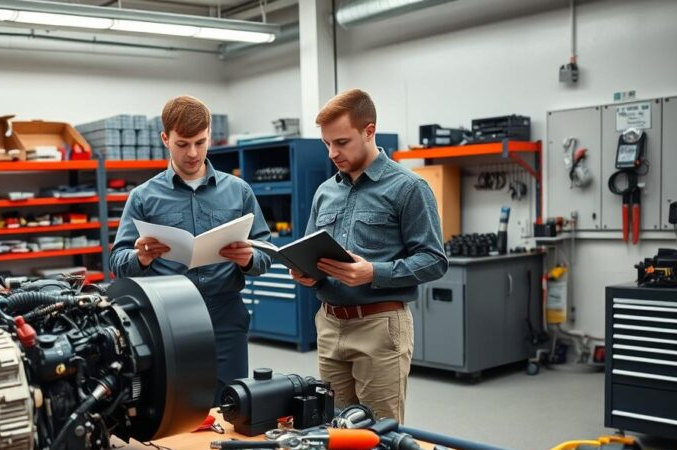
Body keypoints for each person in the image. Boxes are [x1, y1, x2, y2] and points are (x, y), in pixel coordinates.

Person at [290, 89, 448, 422]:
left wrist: (373, 272)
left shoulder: (408, 188)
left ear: (369, 131)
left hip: (380, 326)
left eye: (342, 142)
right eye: (327, 144)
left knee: (379, 433)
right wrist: (305, 272)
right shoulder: (325, 192)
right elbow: (310, 252)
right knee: (331, 427)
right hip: (330, 325)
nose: (333, 152)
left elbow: (434, 260)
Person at [110, 95, 271, 404]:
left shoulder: (238, 191)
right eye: (183, 144)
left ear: (209, 134)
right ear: (165, 139)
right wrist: (140, 257)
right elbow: (118, 261)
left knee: (233, 404)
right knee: (177, 406)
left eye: (200, 142)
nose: (193, 153)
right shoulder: (144, 197)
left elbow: (267, 254)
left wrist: (249, 258)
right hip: (168, 320)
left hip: (226, 317)